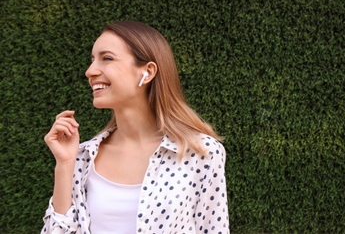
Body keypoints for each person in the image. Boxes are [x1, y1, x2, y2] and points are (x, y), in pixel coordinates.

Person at [41, 20, 229, 233]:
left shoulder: (200, 152)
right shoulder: (83, 157)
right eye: (92, 60)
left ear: (147, 72)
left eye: (107, 58)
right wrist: (64, 165)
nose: (90, 71)